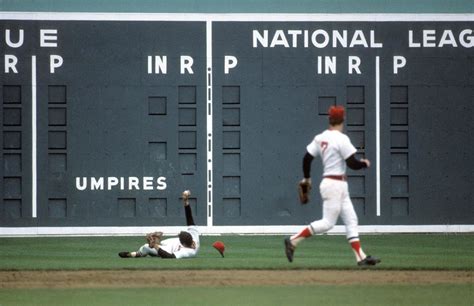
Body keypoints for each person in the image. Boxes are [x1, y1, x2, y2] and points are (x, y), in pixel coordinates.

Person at [284, 105, 381, 267]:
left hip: (334, 184)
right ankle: (293, 241)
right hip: (335, 184)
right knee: (328, 223)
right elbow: (352, 163)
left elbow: (307, 158)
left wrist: (307, 179)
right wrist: (364, 163)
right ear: (342, 119)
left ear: (330, 119)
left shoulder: (321, 137)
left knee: (351, 219)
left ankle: (361, 257)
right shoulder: (342, 139)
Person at [118, 190, 200, 259]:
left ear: (183, 244)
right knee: (158, 241)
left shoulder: (189, 252)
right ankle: (157, 242)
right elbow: (190, 219)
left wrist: (155, 246)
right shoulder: (194, 235)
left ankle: (134, 254)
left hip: (168, 249)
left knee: (147, 247)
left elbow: (169, 257)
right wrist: (186, 201)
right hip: (170, 243)